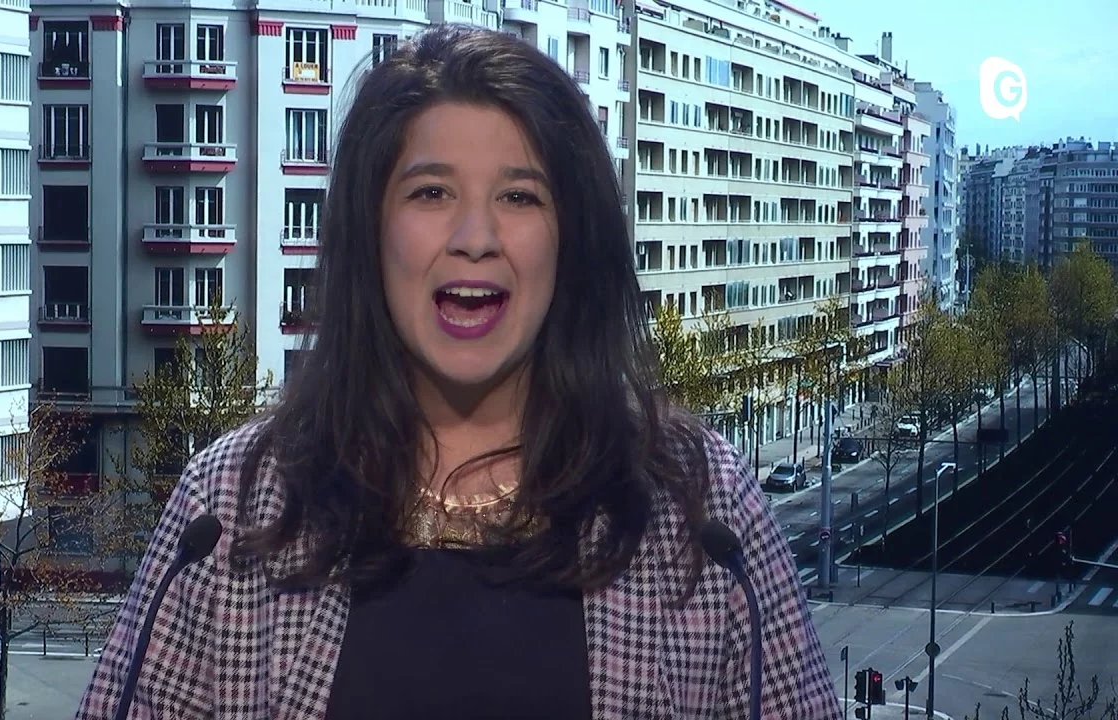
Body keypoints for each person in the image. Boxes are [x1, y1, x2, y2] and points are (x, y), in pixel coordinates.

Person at [76, 23, 840, 719]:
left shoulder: (697, 502)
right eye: (431, 192)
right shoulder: (233, 502)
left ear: (571, 240)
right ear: (371, 230)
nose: (476, 236)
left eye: (519, 196)